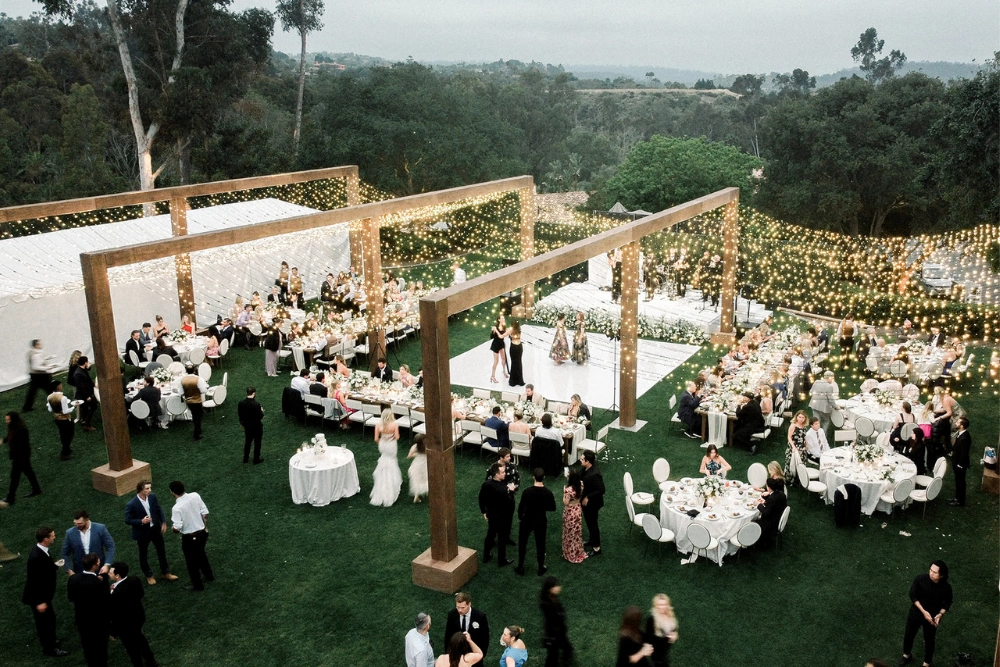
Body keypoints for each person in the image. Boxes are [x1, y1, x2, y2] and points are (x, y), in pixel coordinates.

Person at [23, 526, 70, 657]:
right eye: (52, 535)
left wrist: (55, 565)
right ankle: (49, 649)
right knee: (44, 624)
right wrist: (40, 602)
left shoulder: (42, 551)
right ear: (45, 539)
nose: (54, 537)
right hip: (39, 598)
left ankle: (52, 641)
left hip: (44, 597)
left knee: (50, 619)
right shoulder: (36, 557)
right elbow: (34, 581)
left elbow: (43, 570)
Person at [899, 561, 952, 667]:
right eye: (930, 570)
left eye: (935, 572)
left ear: (941, 575)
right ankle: (907, 655)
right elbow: (913, 595)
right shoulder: (920, 579)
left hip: (931, 617)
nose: (931, 574)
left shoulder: (946, 588)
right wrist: (924, 612)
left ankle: (927, 663)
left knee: (929, 639)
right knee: (909, 635)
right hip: (916, 613)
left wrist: (940, 614)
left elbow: (948, 602)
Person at [124, 481, 178, 586]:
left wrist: (163, 522)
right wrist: (141, 521)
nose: (150, 490)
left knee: (161, 550)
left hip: (155, 529)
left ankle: (166, 572)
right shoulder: (131, 504)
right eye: (147, 489)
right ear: (140, 490)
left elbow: (158, 509)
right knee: (143, 554)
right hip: (142, 532)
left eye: (150, 488)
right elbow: (127, 520)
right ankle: (149, 575)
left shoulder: (152, 497)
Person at [107, 562, 157, 667]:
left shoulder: (116, 594)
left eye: (110, 572)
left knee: (131, 648)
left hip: (125, 625)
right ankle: (151, 661)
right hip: (138, 618)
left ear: (117, 575)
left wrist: (112, 631)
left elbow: (115, 615)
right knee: (140, 639)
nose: (108, 573)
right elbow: (140, 594)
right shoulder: (134, 580)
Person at [67, 552, 111, 667]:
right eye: (98, 562)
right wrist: (105, 579)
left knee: (87, 646)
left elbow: (71, 597)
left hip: (82, 619)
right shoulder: (98, 584)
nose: (99, 563)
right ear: (94, 566)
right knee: (101, 647)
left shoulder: (73, 579)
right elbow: (107, 600)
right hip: (98, 621)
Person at [169, 480, 213, 591]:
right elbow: (204, 513)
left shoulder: (176, 508)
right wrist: (204, 526)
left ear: (173, 492)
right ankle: (209, 576)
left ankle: (198, 585)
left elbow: (177, 528)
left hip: (190, 538)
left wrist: (172, 528)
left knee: (191, 562)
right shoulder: (195, 495)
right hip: (203, 533)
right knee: (201, 554)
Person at [515, 468, 556, 576]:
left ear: (533, 477)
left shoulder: (527, 492)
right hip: (540, 520)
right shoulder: (548, 493)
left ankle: (520, 566)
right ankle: (541, 567)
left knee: (522, 543)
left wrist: (520, 517)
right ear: (544, 478)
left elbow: (521, 507)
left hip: (527, 520)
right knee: (540, 544)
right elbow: (553, 507)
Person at [0, 411, 42, 507]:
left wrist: (17, 457)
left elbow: (21, 445)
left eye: (8, 419)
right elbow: (11, 437)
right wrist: (3, 440)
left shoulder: (21, 430)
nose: (6, 421)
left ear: (13, 420)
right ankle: (36, 489)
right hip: (21, 457)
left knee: (15, 477)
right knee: (28, 472)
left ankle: (11, 498)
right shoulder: (14, 427)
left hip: (20, 457)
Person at [479, 462, 514, 567]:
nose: (505, 473)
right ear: (496, 474)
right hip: (502, 517)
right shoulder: (502, 489)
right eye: (502, 472)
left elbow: (481, 498)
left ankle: (486, 555)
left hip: (491, 515)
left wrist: (484, 511)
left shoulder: (486, 484)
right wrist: (511, 491)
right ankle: (501, 561)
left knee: (490, 535)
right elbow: (509, 502)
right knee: (502, 538)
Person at [61, 509, 115, 576]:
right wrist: (69, 570)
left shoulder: (100, 529)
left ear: (87, 519)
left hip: (100, 570)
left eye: (80, 523)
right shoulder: (70, 533)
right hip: (79, 572)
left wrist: (106, 565)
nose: (77, 526)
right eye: (75, 523)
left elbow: (110, 546)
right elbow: (65, 553)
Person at [443, 591, 490, 667]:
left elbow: (485, 638)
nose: (460, 610)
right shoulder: (452, 615)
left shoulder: (480, 617)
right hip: (456, 655)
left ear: (469, 604)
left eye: (462, 607)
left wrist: (481, 655)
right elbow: (448, 635)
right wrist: (448, 654)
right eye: (458, 607)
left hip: (473, 654)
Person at [371, 409, 403, 507]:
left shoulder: (378, 425)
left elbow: (376, 439)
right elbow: (397, 437)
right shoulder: (394, 424)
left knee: (384, 460)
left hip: (383, 445)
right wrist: (392, 438)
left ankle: (382, 480)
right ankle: (392, 482)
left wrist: (382, 442)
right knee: (392, 461)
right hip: (391, 445)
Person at [539, 577, 572, 666]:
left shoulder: (552, 598)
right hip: (554, 633)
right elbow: (553, 619)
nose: (558, 587)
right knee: (552, 656)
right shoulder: (547, 604)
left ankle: (567, 653)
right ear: (550, 589)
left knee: (565, 644)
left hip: (559, 630)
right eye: (555, 586)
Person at [579, 450, 605, 557]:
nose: (580, 459)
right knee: (589, 522)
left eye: (582, 459)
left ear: (588, 461)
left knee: (593, 524)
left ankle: (596, 548)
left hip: (593, 504)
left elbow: (601, 489)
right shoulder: (585, 469)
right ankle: (591, 540)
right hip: (586, 503)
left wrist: (588, 497)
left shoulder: (595, 474)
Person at [644, 594, 679, 667]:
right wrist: (667, 638)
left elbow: (674, 629)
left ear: (668, 605)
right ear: (655, 605)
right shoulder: (651, 619)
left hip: (665, 652)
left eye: (664, 604)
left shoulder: (670, 616)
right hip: (657, 655)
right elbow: (649, 639)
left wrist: (675, 635)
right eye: (659, 604)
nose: (662, 607)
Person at [753, 477, 787, 548]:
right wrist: (765, 502)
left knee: (751, 522)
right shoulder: (781, 494)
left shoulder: (772, 498)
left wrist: (758, 504)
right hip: (778, 516)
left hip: (771, 524)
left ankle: (757, 541)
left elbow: (766, 513)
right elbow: (774, 505)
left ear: (768, 487)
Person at [561, 471, 586, 564]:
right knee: (576, 532)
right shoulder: (581, 485)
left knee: (569, 533)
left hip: (570, 512)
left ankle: (570, 553)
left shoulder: (569, 490)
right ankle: (578, 551)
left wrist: (564, 492)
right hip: (578, 509)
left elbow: (565, 502)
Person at [46, 380, 76, 459]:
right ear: (58, 387)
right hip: (65, 419)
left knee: (63, 434)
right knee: (69, 434)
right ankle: (65, 452)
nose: (61, 386)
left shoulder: (49, 397)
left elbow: (50, 410)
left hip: (57, 419)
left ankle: (67, 449)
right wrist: (73, 407)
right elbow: (65, 411)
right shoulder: (63, 398)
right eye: (60, 385)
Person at [180, 365, 208, 441]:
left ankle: (198, 429)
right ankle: (196, 434)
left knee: (194, 415)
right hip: (197, 400)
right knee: (198, 417)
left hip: (189, 401)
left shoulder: (183, 380)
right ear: (194, 371)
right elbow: (203, 390)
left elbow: (181, 392)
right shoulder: (198, 379)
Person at [238, 387, 265, 465]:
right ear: (254, 393)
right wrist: (261, 410)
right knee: (257, 442)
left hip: (247, 426)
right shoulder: (256, 405)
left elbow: (240, 415)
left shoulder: (241, 403)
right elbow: (260, 416)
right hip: (256, 426)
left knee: (248, 442)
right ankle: (256, 459)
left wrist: (242, 424)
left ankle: (245, 458)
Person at [809, 371, 839, 436]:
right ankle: (822, 436)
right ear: (829, 378)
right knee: (826, 421)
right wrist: (836, 407)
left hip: (814, 405)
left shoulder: (816, 382)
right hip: (824, 408)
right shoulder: (829, 387)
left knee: (816, 421)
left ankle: (815, 435)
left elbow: (811, 391)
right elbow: (830, 399)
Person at [949, 417, 970, 507]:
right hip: (956, 462)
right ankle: (957, 498)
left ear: (962, 426)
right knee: (958, 481)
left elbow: (964, 454)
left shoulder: (964, 438)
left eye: (958, 422)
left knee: (960, 482)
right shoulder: (961, 434)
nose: (956, 423)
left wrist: (959, 465)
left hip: (960, 465)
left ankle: (960, 501)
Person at [73, 356, 98, 432]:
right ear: (85, 363)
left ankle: (85, 422)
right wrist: (87, 396)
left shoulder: (82, 370)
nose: (88, 363)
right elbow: (81, 387)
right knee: (93, 406)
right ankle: (86, 423)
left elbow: (87, 379)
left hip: (85, 394)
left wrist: (94, 385)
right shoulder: (79, 374)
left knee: (86, 409)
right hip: (83, 395)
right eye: (87, 362)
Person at [784, 410, 808, 481]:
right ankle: (790, 480)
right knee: (791, 463)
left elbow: (804, 436)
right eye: (799, 417)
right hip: (794, 447)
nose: (801, 419)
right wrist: (793, 447)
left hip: (802, 448)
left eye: (803, 417)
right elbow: (789, 436)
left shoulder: (804, 426)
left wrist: (806, 444)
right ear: (796, 417)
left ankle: (800, 479)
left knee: (801, 463)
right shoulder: (793, 425)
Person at [407, 435, 429, 503]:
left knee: (417, 479)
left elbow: (409, 456)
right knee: (426, 478)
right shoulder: (427, 447)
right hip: (425, 464)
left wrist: (417, 454)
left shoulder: (415, 447)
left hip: (417, 464)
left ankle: (416, 496)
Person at [490, 314, 510, 384]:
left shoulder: (504, 327)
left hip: (501, 344)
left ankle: (504, 371)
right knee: (496, 361)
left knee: (504, 359)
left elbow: (503, 335)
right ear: (499, 320)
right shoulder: (495, 327)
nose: (503, 319)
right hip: (495, 345)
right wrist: (493, 331)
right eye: (502, 318)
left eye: (503, 318)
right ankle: (492, 376)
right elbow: (491, 337)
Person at [507, 321, 524, 387]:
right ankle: (519, 380)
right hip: (519, 347)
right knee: (518, 362)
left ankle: (513, 381)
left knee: (514, 363)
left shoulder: (511, 330)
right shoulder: (519, 330)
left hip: (514, 347)